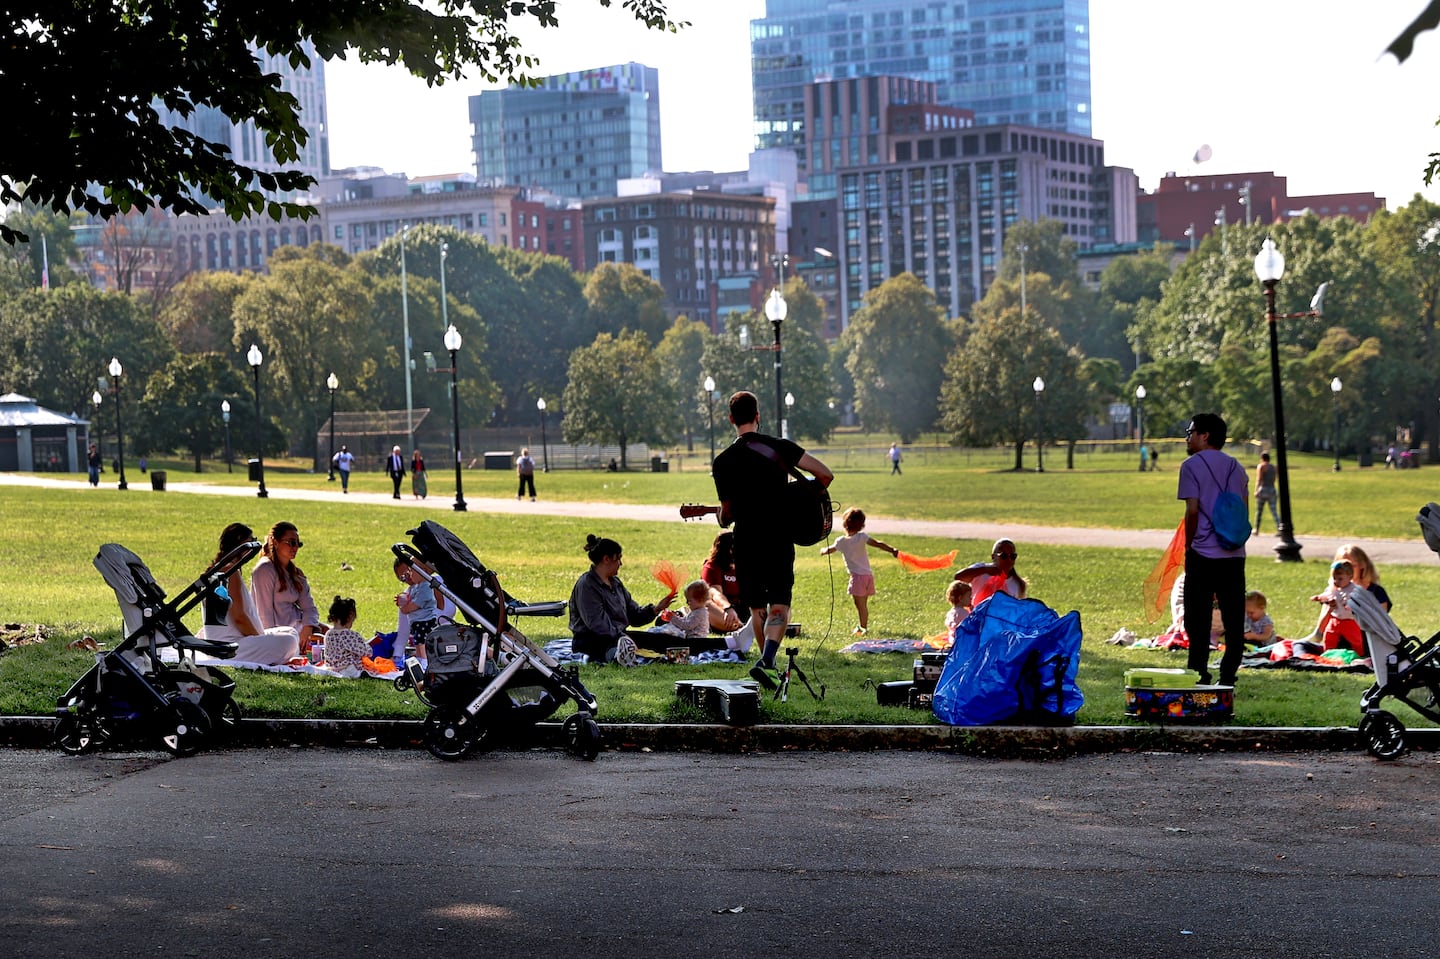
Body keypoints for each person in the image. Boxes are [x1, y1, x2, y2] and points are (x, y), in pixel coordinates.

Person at [710, 390, 834, 690]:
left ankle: (770, 667)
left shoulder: (723, 461)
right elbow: (825, 474)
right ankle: (767, 660)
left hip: (746, 541)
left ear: (730, 420)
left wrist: (721, 517)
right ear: (758, 416)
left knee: (757, 608)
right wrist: (800, 495)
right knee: (780, 606)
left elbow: (726, 515)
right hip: (778, 538)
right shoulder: (780, 447)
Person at [1177, 412, 1247, 687]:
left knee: (1198, 618)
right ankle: (1228, 674)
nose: (1188, 436)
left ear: (1205, 435)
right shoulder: (1237, 467)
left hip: (1203, 552)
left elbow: (1192, 511)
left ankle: (1199, 673)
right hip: (1233, 553)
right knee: (1233, 617)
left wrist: (1189, 544)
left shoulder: (1191, 466)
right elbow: (1242, 512)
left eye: (1191, 431)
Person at [200, 522, 301, 665]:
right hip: (230, 648)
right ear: (240, 543)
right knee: (289, 641)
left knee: (291, 632)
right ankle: (278, 657)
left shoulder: (222, 569)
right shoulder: (229, 572)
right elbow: (239, 618)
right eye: (251, 541)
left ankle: (275, 655)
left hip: (235, 642)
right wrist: (260, 639)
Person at [568, 534, 674, 664]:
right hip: (592, 640)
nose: (621, 564)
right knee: (609, 647)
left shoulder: (616, 583)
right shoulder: (587, 585)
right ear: (606, 559)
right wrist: (623, 638)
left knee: (663, 641)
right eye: (618, 559)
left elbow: (633, 615)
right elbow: (598, 624)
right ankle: (618, 657)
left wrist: (656, 609)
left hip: (620, 637)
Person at [819, 507, 899, 635]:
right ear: (862, 525)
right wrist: (893, 550)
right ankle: (863, 626)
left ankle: (863, 628)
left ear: (845, 524)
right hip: (868, 576)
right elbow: (878, 544)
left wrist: (822, 551)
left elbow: (831, 549)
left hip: (857, 578)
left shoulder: (841, 541)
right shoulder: (862, 537)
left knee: (860, 605)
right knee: (863, 605)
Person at [251, 521, 325, 655]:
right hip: (281, 634)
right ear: (276, 542)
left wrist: (307, 629)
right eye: (291, 542)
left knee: (337, 634)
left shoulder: (295, 572)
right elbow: (263, 613)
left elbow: (309, 608)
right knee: (332, 640)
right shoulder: (264, 570)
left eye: (298, 543)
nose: (295, 547)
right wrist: (271, 645)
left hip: (300, 627)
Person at [1312, 560, 1365, 655]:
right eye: (1334, 578)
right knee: (1329, 637)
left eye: (1340, 579)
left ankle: (1360, 655)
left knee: (1356, 639)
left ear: (1350, 577)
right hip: (1335, 619)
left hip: (1350, 621)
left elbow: (1358, 601)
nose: (1336, 581)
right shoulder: (1333, 588)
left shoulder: (1353, 589)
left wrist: (1350, 605)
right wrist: (1319, 598)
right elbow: (1327, 595)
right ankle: (1327, 654)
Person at [953, 538, 1028, 605]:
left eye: (1012, 556)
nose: (1008, 560)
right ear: (993, 557)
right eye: (1003, 556)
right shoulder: (981, 570)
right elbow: (959, 577)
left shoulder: (1017, 583)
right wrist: (985, 570)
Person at [394, 558, 439, 656]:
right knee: (418, 642)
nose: (408, 576)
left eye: (410, 571)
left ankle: (424, 659)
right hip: (417, 623)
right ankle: (421, 658)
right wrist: (403, 601)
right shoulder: (414, 589)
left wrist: (405, 608)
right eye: (403, 577)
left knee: (423, 643)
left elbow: (416, 604)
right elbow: (403, 632)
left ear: (423, 571)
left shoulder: (426, 586)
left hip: (426, 622)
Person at [700, 531, 744, 633]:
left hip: (741, 608)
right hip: (721, 609)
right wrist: (728, 608)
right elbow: (715, 593)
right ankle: (743, 628)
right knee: (706, 604)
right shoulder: (712, 566)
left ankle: (746, 627)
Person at [324, 596, 372, 672]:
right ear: (349, 618)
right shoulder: (350, 635)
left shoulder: (328, 634)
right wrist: (368, 647)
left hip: (332, 667)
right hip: (348, 667)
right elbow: (365, 652)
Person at [1254, 451, 1279, 533]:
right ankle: (1279, 527)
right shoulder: (1274, 467)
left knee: (1259, 511)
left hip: (1263, 489)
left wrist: (1256, 490)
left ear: (1262, 458)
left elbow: (1259, 479)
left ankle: (1257, 529)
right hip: (1272, 489)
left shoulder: (1261, 466)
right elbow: (1275, 479)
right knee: (1274, 510)